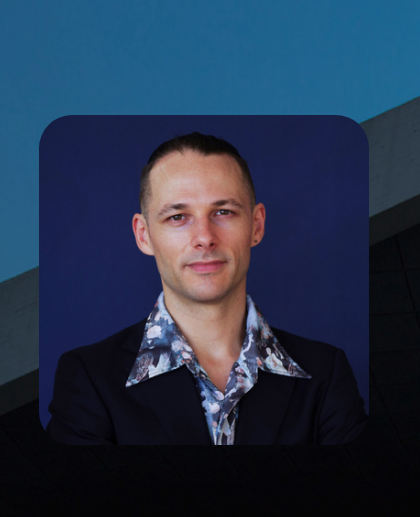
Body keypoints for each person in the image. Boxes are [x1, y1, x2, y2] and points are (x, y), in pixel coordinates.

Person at [46, 132, 367, 444]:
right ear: (144, 235)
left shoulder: (326, 373)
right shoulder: (89, 378)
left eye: (223, 212)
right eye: (178, 217)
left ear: (256, 225)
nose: (204, 237)